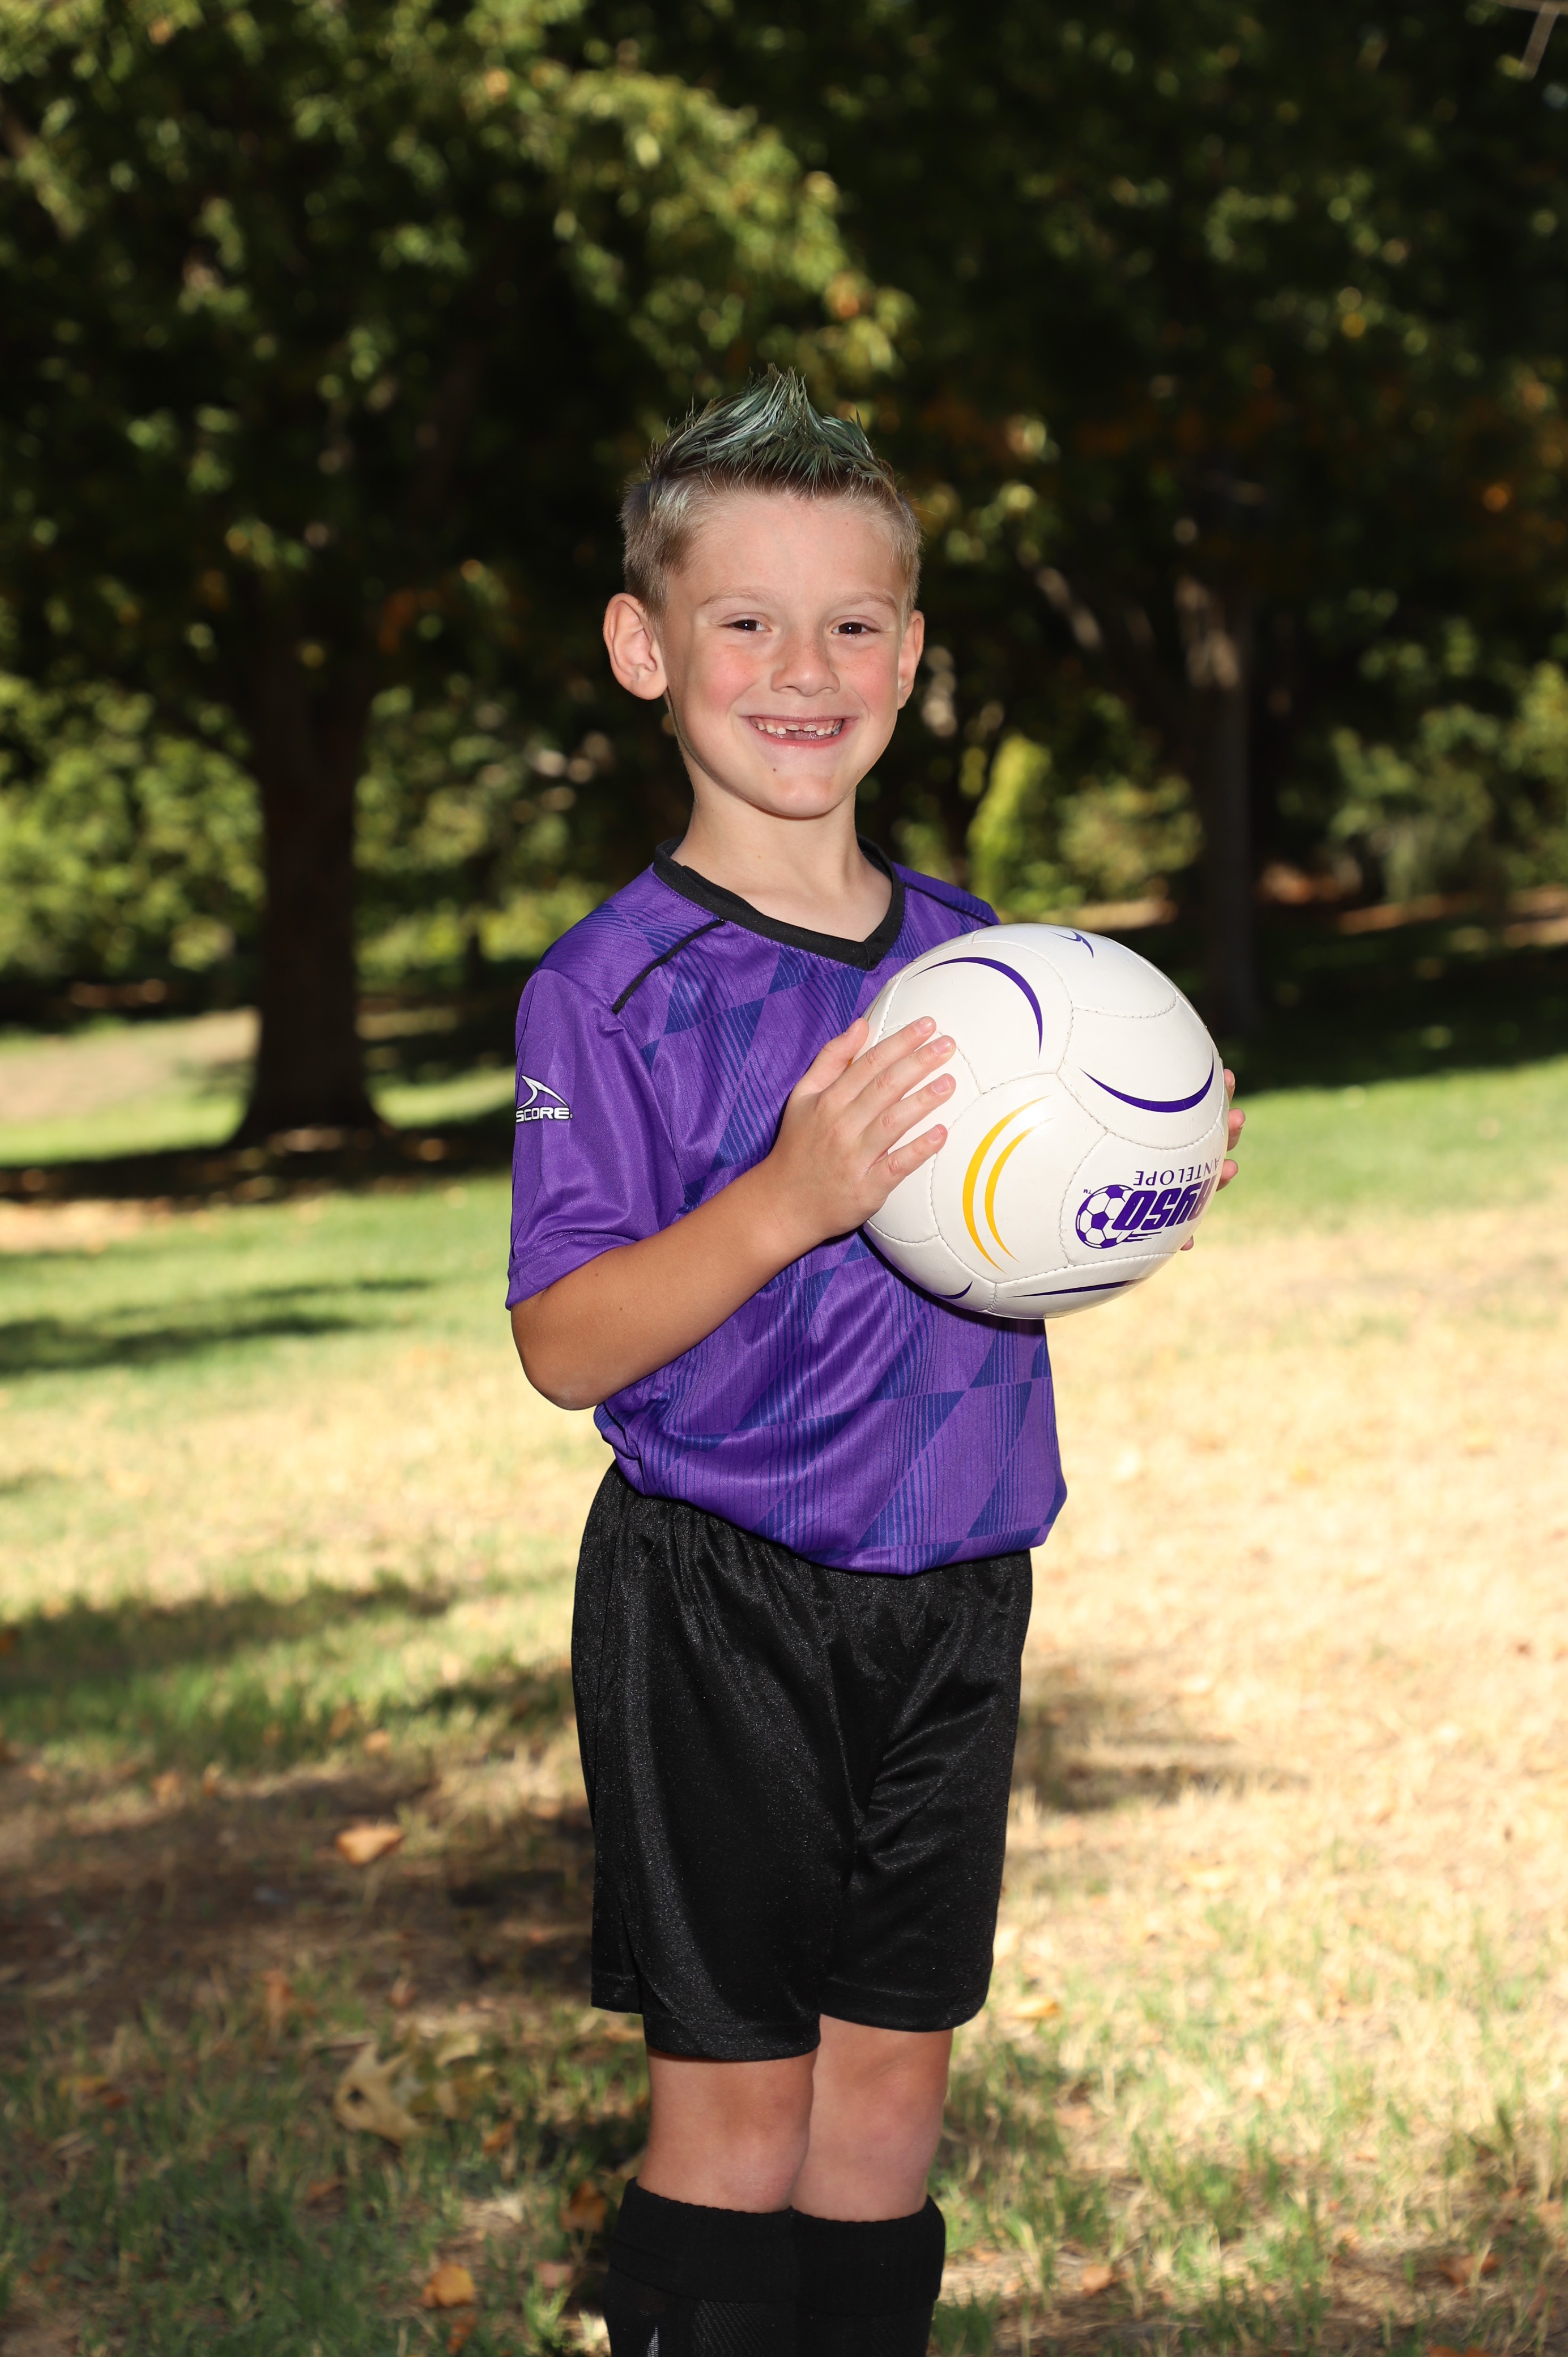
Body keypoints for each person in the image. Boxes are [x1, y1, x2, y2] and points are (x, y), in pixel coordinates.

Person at [507, 372, 1243, 2355]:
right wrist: (788, 1196)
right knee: (742, 2115)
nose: (803, 669)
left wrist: (1142, 1176)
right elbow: (563, 1342)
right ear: (645, 647)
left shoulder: (996, 968)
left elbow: (1011, 1239)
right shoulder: (611, 986)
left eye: (852, 623)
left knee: (891, 2109)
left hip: (958, 1590)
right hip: (723, 1602)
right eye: (746, 620)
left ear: (911, 656)